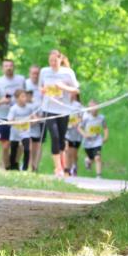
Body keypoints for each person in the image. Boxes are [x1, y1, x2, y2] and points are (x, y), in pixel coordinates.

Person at [39, 49, 79, 177]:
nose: (52, 63)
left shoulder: (68, 73)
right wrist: (43, 90)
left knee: (61, 139)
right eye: (50, 60)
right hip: (48, 108)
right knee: (54, 136)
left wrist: (63, 87)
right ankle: (58, 168)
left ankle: (62, 165)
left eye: (55, 60)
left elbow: (76, 90)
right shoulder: (44, 71)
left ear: (60, 60)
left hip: (63, 110)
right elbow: (40, 87)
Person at [0, 60, 26, 171]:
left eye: (10, 65)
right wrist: (2, 101)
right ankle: (7, 167)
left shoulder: (21, 80)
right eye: (6, 66)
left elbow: (27, 97)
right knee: (5, 145)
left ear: (14, 67)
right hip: (3, 117)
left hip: (18, 117)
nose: (8, 68)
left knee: (20, 144)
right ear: (2, 68)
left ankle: (15, 163)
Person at [25, 65, 46, 172]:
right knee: (27, 143)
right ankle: (27, 165)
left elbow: (47, 100)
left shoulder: (43, 85)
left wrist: (40, 117)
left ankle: (35, 166)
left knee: (38, 144)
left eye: (37, 73)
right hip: (27, 117)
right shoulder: (25, 84)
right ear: (29, 73)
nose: (35, 75)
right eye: (33, 73)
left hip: (41, 118)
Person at [8, 89, 35, 170]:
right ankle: (13, 166)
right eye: (22, 96)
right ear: (17, 98)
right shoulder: (14, 109)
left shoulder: (29, 108)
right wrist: (18, 123)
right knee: (14, 151)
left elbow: (33, 120)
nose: (25, 98)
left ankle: (25, 168)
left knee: (27, 149)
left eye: (25, 96)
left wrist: (33, 121)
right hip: (15, 134)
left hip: (25, 133)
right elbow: (9, 121)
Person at [80, 100, 108, 177]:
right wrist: (84, 134)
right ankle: (88, 161)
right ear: (89, 109)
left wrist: (105, 137)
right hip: (87, 143)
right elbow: (79, 128)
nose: (94, 109)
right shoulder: (86, 118)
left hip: (97, 141)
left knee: (97, 158)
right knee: (91, 158)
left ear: (98, 108)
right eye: (92, 108)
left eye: (95, 107)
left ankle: (99, 175)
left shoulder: (101, 118)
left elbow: (105, 128)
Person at [63, 91, 84, 176]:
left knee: (74, 153)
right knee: (67, 150)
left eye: (71, 93)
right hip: (67, 131)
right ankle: (67, 169)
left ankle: (74, 166)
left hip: (76, 133)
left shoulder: (79, 106)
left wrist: (77, 122)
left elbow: (82, 117)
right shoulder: (64, 104)